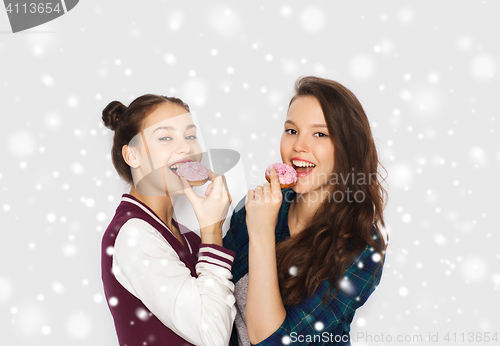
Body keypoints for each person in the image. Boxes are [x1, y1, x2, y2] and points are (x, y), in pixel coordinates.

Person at [224, 76, 389, 346]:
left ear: (347, 148)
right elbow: (212, 298)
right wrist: (209, 221)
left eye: (320, 134)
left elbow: (273, 342)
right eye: (291, 130)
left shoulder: (362, 247)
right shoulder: (255, 207)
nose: (298, 145)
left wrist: (262, 234)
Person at [100, 94, 236, 346]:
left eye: (190, 136)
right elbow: (213, 337)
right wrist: (212, 230)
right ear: (132, 156)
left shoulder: (189, 238)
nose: (186, 148)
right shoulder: (134, 235)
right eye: (165, 137)